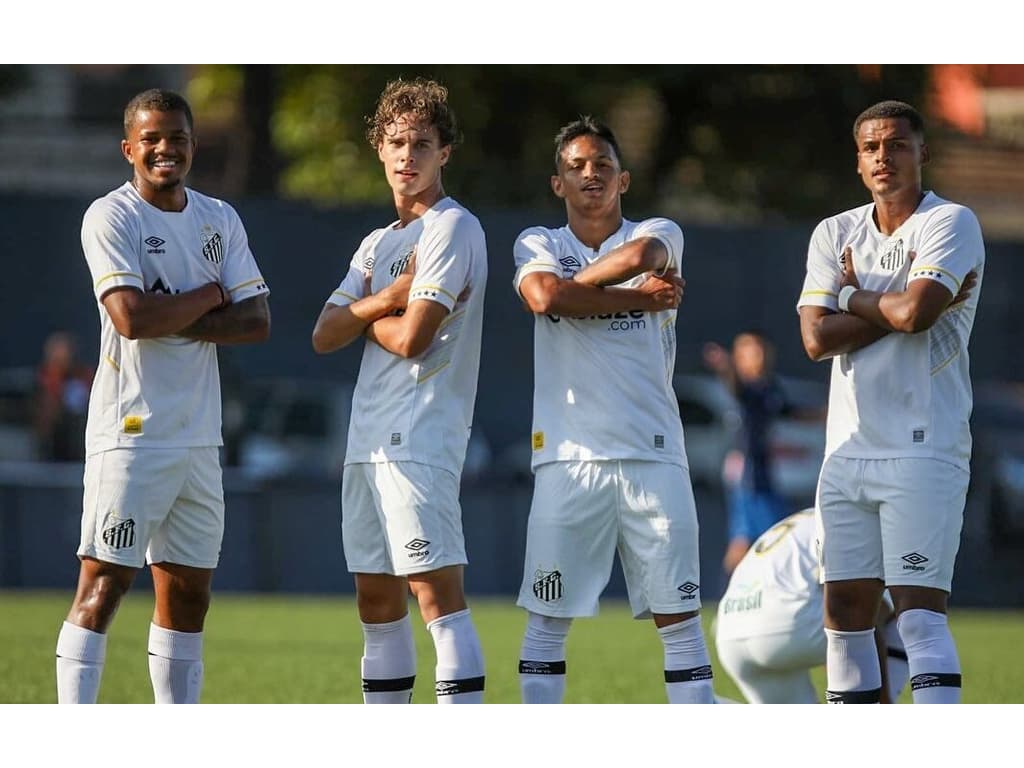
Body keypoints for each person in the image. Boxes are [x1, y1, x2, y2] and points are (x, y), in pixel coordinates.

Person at [56, 88, 271, 704]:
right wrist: (207, 296)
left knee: (189, 597)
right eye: (151, 139)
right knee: (103, 587)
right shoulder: (111, 216)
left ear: (192, 145)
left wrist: (170, 308)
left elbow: (256, 321)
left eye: (176, 137)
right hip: (132, 434)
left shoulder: (219, 218)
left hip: (200, 438)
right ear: (130, 148)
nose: (165, 150)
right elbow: (129, 317)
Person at [513, 116, 714, 704]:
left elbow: (644, 254)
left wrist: (577, 295)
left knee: (679, 624)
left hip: (654, 454)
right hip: (568, 460)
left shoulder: (659, 231)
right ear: (558, 185)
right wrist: (632, 297)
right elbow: (544, 296)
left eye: (601, 165)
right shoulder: (538, 243)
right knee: (547, 624)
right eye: (575, 167)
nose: (589, 174)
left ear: (623, 178)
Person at [797, 100, 982, 704]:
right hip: (846, 451)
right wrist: (886, 303)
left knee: (918, 614)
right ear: (858, 161)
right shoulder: (833, 231)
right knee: (844, 613)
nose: (884, 157)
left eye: (897, 145)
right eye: (872, 148)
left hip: (923, 448)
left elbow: (918, 312)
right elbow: (815, 339)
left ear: (922, 153)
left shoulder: (950, 222)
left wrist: (848, 293)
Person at [311, 78, 487, 704]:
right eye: (396, 142)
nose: (407, 155)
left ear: (445, 153)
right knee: (376, 599)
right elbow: (323, 334)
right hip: (367, 440)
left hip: (419, 436)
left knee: (434, 593)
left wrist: (367, 316)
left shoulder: (453, 228)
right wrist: (384, 298)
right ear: (379, 151)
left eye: (422, 143)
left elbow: (414, 338)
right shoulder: (377, 244)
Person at [715, 509, 909, 703]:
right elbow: (855, 615)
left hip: (729, 628)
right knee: (905, 618)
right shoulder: (860, 519)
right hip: (789, 623)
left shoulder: (824, 511)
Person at [703, 331, 790, 575]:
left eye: (760, 349)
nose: (758, 356)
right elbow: (733, 384)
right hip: (746, 471)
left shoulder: (770, 386)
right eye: (750, 351)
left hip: (763, 469)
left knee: (753, 536)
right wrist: (724, 367)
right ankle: (729, 597)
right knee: (756, 536)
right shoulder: (743, 388)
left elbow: (788, 410)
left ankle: (739, 595)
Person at [33, 331, 94, 461]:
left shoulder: (84, 376)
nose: (64, 358)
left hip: (81, 441)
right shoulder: (44, 380)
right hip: (51, 445)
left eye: (67, 353)